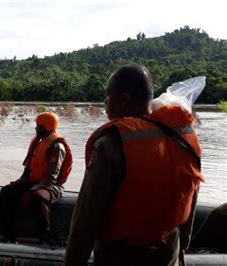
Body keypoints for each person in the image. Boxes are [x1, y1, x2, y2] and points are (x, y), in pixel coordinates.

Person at [65, 64, 204, 265]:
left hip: (121, 257)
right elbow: (190, 201)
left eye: (108, 95)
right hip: (168, 254)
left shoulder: (111, 144)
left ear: (124, 100)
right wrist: (182, 248)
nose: (105, 102)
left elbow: (85, 222)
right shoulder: (184, 140)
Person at [0, 112, 73, 245]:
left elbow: (51, 178)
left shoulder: (57, 146)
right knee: (6, 191)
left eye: (37, 126)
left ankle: (45, 237)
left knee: (38, 198)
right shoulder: (39, 142)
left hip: (51, 186)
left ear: (45, 127)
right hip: (34, 183)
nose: (35, 128)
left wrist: (31, 191)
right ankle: (9, 235)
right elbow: (28, 170)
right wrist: (20, 182)